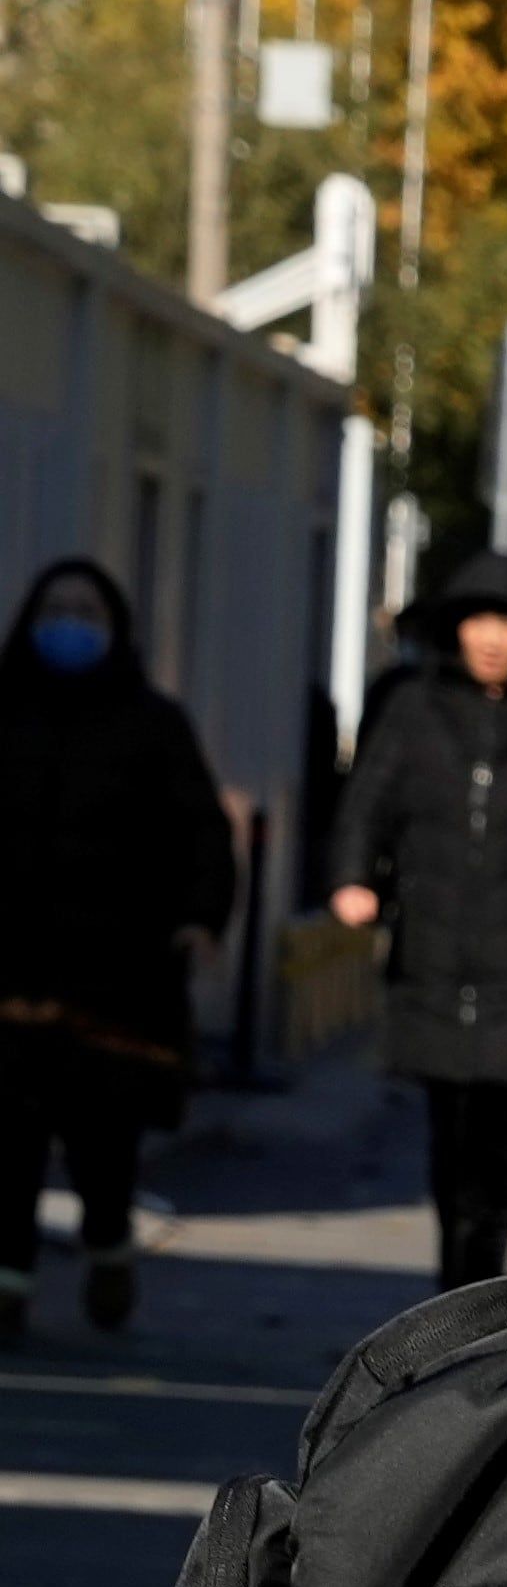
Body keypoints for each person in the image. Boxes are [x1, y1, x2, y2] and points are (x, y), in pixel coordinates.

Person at [329, 552, 507, 1287]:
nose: (491, 637)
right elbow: (368, 803)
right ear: (455, 629)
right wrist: (354, 879)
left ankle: (481, 1283)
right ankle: (457, 1279)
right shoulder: (413, 709)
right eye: (479, 620)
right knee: (450, 1128)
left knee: (495, 1134)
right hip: (433, 952)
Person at [0, 557, 234, 1341]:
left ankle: (108, 1249)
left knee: (104, 1143)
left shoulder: (151, 722)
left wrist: (201, 916)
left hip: (118, 975)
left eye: (86, 611)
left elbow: (202, 828)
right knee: (9, 1143)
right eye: (56, 607)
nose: (70, 624)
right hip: (13, 971)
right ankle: (8, 1286)